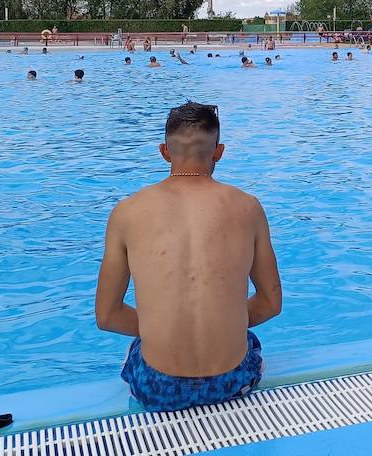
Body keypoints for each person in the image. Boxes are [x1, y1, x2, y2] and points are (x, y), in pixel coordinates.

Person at [94, 102, 280, 412]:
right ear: (219, 152)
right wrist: (224, 323)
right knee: (250, 343)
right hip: (231, 381)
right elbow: (271, 303)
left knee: (136, 349)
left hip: (160, 387)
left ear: (164, 152)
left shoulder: (126, 212)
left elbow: (107, 316)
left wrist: (161, 326)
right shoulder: (248, 207)